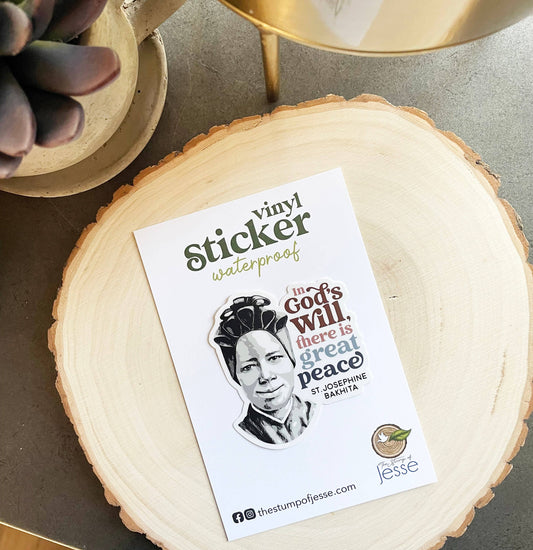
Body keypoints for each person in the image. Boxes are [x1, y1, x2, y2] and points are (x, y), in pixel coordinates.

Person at [213, 295, 317, 447]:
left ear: (291, 359)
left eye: (274, 358)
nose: (266, 376)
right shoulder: (242, 436)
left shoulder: (315, 412)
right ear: (236, 376)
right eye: (248, 367)